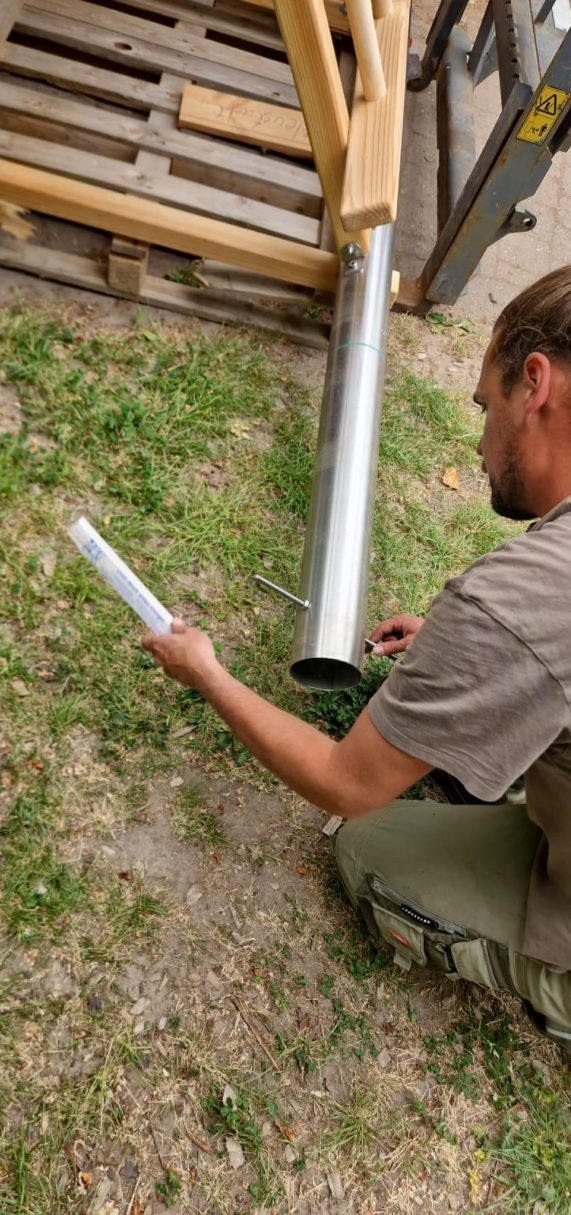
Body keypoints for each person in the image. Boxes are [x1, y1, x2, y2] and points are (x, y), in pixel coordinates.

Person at [143, 266, 571, 1055]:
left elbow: (343, 780)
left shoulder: (526, 604)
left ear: (533, 383)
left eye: (484, 406)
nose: (478, 443)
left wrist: (207, 671)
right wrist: (464, 656)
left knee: (364, 842)